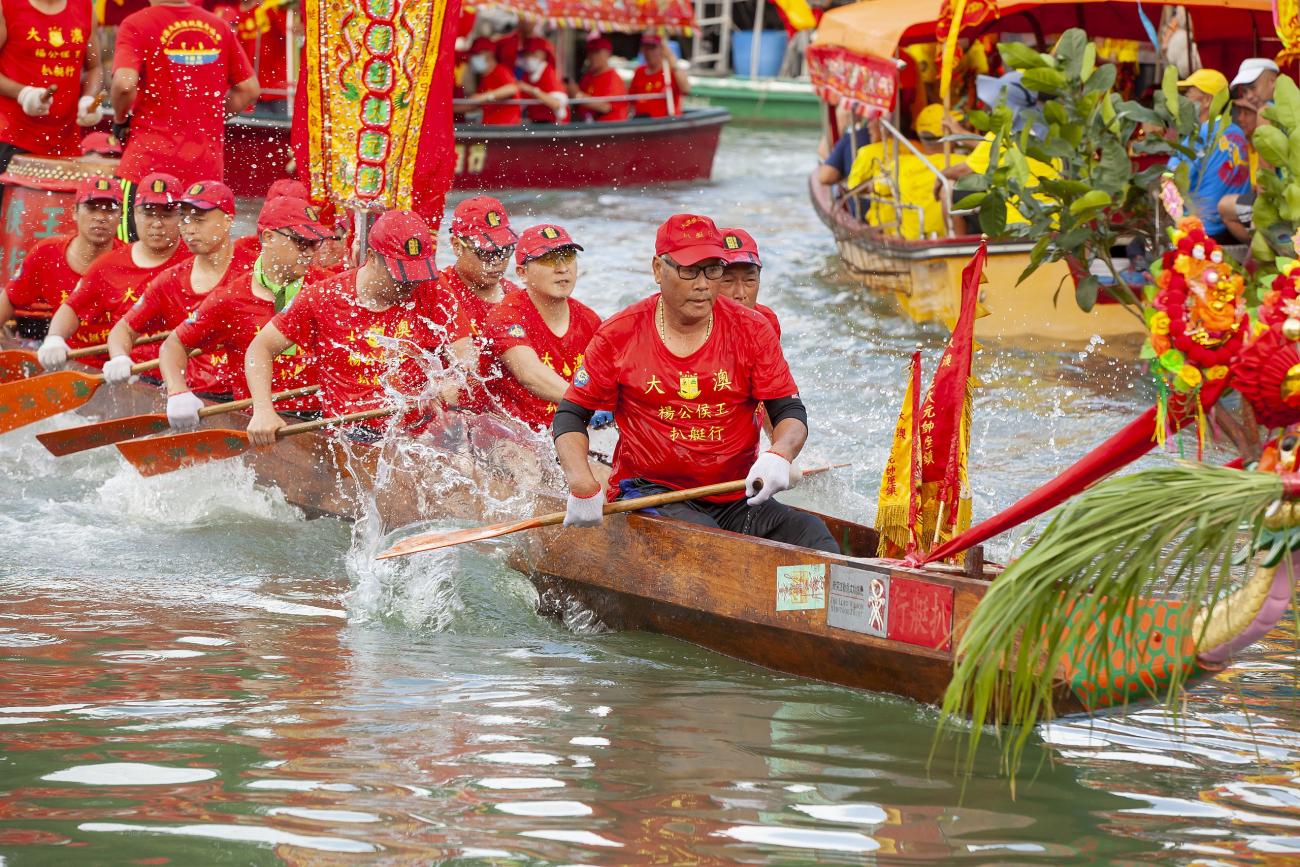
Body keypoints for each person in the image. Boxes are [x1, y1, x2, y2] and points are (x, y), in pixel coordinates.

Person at [550, 213, 837, 553]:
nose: (703, 284)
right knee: (708, 546)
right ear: (658, 269)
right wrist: (582, 484)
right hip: (651, 493)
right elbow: (571, 414)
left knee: (813, 536)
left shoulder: (753, 329)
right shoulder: (619, 334)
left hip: (736, 494)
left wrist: (780, 454)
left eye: (713, 269)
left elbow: (788, 408)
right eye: (690, 270)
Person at [243, 209, 469, 446]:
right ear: (371, 257)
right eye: (401, 276)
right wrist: (263, 410)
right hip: (352, 437)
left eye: (416, 275)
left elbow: (465, 350)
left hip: (421, 431)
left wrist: (456, 377)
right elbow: (260, 349)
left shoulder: (431, 288)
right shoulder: (322, 297)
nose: (410, 285)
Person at [159, 195, 325, 428]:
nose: (309, 252)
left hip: (322, 418)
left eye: (316, 242)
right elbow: (172, 346)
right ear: (268, 238)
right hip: (257, 422)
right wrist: (177, 392)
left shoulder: (327, 288)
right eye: (301, 242)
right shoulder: (229, 299)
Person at [110, 0, 259, 239]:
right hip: (203, 174)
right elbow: (249, 89)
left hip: (147, 168)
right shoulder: (218, 26)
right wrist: (207, 116)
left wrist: (119, 118)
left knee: (131, 260)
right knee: (193, 268)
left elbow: (124, 84)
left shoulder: (136, 24)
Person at [102, 180, 246, 390]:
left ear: (228, 221)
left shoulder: (256, 270)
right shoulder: (170, 280)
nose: (189, 229)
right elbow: (122, 331)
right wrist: (119, 358)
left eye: (199, 219)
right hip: (196, 394)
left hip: (247, 394)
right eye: (185, 219)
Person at [37, 171, 188, 370]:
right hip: (133, 372)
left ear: (182, 217)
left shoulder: (196, 261)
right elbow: (72, 308)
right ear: (134, 214)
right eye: (149, 213)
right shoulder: (109, 265)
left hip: (188, 373)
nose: (157, 223)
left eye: (166, 214)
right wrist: (55, 339)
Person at [482, 224, 600, 430]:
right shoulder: (506, 315)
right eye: (549, 259)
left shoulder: (590, 320)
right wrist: (588, 403)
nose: (562, 268)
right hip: (509, 434)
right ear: (522, 273)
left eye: (569, 256)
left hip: (565, 430)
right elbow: (529, 373)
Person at [0, 174, 120, 341]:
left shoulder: (130, 260)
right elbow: (10, 298)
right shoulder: (46, 253)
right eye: (91, 208)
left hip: (118, 360)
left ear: (121, 217)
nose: (100, 217)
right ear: (74, 213)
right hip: (62, 356)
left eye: (110, 210)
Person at [435, 195, 520, 409]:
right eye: (485, 252)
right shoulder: (436, 291)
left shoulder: (517, 298)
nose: (497, 261)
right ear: (456, 246)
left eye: (505, 250)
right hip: (451, 417)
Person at [0, 0, 104, 174]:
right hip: (11, 137)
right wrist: (22, 93)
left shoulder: (84, 7)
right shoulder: (7, 6)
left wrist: (89, 98)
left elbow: (94, 67)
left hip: (66, 143)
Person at [1170, 69, 1250, 243]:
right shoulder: (1238, 132)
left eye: (1189, 94)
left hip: (1200, 230)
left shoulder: (1201, 135)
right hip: (1232, 227)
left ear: (1207, 100)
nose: (1184, 101)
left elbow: (1170, 179)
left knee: (1137, 247)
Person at [211, 0, 289, 114]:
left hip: (277, 92)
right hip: (245, 94)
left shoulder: (273, 7)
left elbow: (295, 29)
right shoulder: (227, 12)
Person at [715, 228, 779, 338]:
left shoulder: (767, 321)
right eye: (727, 281)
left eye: (750, 280)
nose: (740, 294)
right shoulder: (690, 326)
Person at [629, 34, 688, 119]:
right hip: (641, 121)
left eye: (652, 48)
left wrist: (673, 62)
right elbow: (631, 101)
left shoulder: (670, 71)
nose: (649, 52)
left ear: (662, 50)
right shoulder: (639, 71)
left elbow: (685, 89)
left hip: (665, 122)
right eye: (646, 48)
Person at [571, 36, 628, 123]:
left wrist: (578, 95)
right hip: (586, 126)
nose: (592, 56)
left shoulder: (613, 79)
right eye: (590, 52)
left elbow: (605, 107)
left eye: (597, 52)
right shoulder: (588, 76)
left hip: (607, 129)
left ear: (608, 54)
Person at [467, 36, 521, 126]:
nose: (472, 58)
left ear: (489, 54)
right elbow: (473, 104)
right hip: (490, 129)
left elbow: (512, 88)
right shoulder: (484, 78)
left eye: (476, 54)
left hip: (506, 131)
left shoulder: (500, 71)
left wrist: (486, 96)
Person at [517, 36, 566, 124]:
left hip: (554, 125)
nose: (528, 58)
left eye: (532, 53)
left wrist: (531, 90)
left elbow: (557, 104)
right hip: (535, 122)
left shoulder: (549, 72)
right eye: (527, 54)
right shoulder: (526, 74)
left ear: (543, 54)